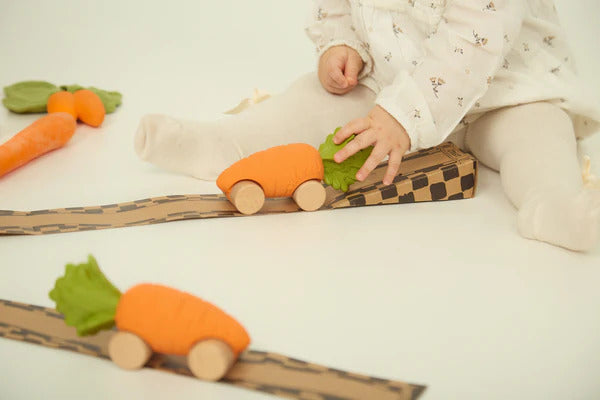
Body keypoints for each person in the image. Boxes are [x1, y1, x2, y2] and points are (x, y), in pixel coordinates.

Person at [134, 0, 600, 251]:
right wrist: (340, 44)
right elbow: (336, 5)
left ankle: (552, 206)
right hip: (389, 85)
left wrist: (405, 114)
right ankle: (224, 143)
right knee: (310, 103)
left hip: (506, 90)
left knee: (537, 136)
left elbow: (474, 40)